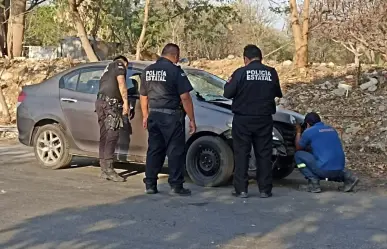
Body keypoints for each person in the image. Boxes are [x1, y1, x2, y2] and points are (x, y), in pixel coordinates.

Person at [223, 44, 283, 198]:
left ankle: (241, 189)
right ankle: (265, 190)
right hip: (264, 119)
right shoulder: (271, 72)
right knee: (264, 153)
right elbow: (277, 92)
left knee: (242, 153)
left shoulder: (240, 72)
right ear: (261, 58)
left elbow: (227, 93)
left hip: (243, 119)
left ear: (245, 59)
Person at [140, 43, 196, 196]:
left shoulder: (148, 71)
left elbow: (143, 96)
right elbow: (185, 97)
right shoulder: (175, 71)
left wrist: (145, 115)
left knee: (154, 150)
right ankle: (176, 185)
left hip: (154, 115)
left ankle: (150, 184)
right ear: (175, 56)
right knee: (175, 151)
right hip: (171, 116)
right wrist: (191, 119)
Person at [295, 112, 360, 193]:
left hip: (324, 171)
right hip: (340, 169)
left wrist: (298, 131)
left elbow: (298, 148)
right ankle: (349, 177)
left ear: (307, 124)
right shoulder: (331, 129)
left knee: (298, 155)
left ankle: (313, 183)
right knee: (330, 163)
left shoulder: (309, 131)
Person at [95, 55, 130, 182]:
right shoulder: (119, 65)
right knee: (112, 135)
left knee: (104, 135)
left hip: (100, 103)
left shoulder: (106, 70)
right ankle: (109, 169)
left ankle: (103, 168)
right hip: (111, 105)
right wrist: (126, 103)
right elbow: (121, 83)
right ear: (124, 62)